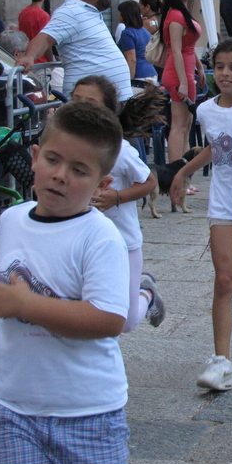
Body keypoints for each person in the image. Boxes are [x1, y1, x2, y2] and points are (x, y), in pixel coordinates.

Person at [0, 101, 131, 464]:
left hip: (88, 414)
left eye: (79, 170)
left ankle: (143, 293)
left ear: (102, 185)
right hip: (13, 407)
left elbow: (108, 319)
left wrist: (27, 305)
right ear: (34, 158)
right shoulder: (11, 220)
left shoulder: (99, 237)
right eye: (52, 160)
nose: (60, 176)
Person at [167, 37, 232, 392]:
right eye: (219, 67)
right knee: (225, 280)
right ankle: (221, 361)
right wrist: (183, 171)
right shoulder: (207, 110)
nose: (225, 74)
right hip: (224, 202)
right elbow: (217, 147)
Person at [71, 75, 165, 333]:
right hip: (83, 244)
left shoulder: (119, 149)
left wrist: (117, 197)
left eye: (90, 102)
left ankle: (146, 292)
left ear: (108, 111)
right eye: (75, 100)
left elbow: (149, 181)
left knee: (125, 322)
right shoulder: (66, 146)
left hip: (124, 243)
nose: (81, 107)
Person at [15, 0, 132, 102]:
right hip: (90, 101)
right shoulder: (71, 12)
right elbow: (45, 38)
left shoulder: (89, 11)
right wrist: (30, 56)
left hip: (107, 99)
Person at [160, 0, 205, 162]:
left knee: (186, 125)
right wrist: (184, 83)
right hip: (179, 75)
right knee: (179, 126)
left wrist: (199, 67)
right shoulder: (176, 16)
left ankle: (183, 173)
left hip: (186, 73)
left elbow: (189, 47)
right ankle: (175, 174)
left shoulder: (182, 12)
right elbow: (176, 51)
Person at [117, 0, 158, 85]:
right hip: (151, 72)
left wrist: (130, 81)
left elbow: (132, 59)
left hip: (138, 75)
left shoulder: (127, 33)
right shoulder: (145, 31)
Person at [18, 0, 52, 64]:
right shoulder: (43, 16)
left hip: (26, 58)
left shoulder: (23, 12)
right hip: (41, 60)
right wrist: (51, 61)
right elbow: (47, 41)